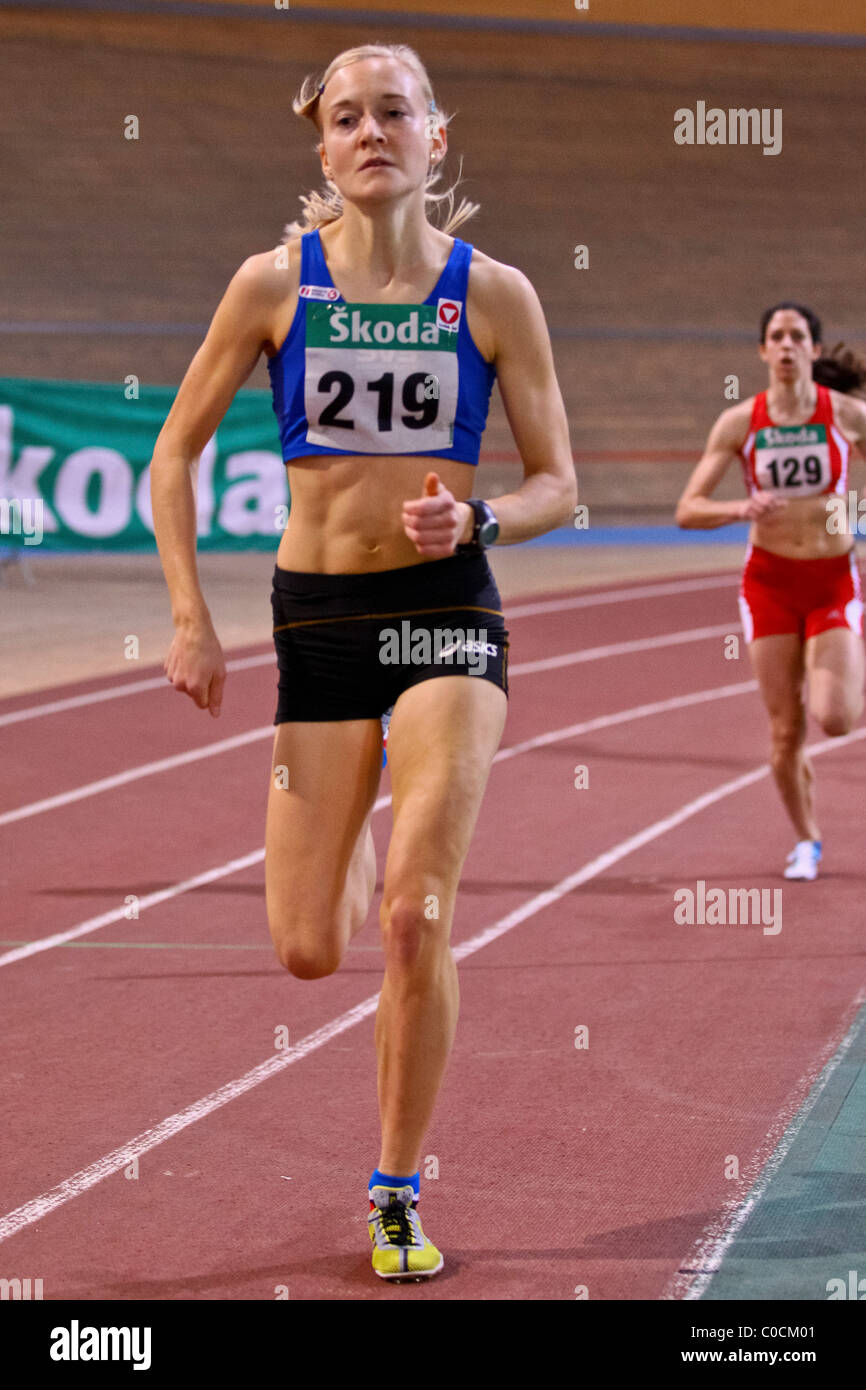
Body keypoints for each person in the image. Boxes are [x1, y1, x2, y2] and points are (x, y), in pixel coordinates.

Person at [150, 43, 576, 1279]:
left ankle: (393, 1186)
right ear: (321, 148)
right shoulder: (270, 284)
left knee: (411, 914)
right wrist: (189, 615)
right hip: (317, 624)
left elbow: (560, 483)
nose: (372, 132)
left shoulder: (492, 294)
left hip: (448, 612)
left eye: (395, 112)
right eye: (348, 118)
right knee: (306, 947)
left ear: (436, 139)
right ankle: (345, 825)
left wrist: (485, 518)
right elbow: (172, 454)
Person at [676, 304, 866, 880]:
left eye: (797, 336)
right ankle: (807, 839)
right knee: (786, 729)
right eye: (776, 337)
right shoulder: (739, 424)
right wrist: (741, 506)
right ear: (763, 352)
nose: (786, 346)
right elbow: (687, 509)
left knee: (835, 718)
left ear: (813, 349)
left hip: (832, 577)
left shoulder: (848, 415)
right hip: (769, 583)